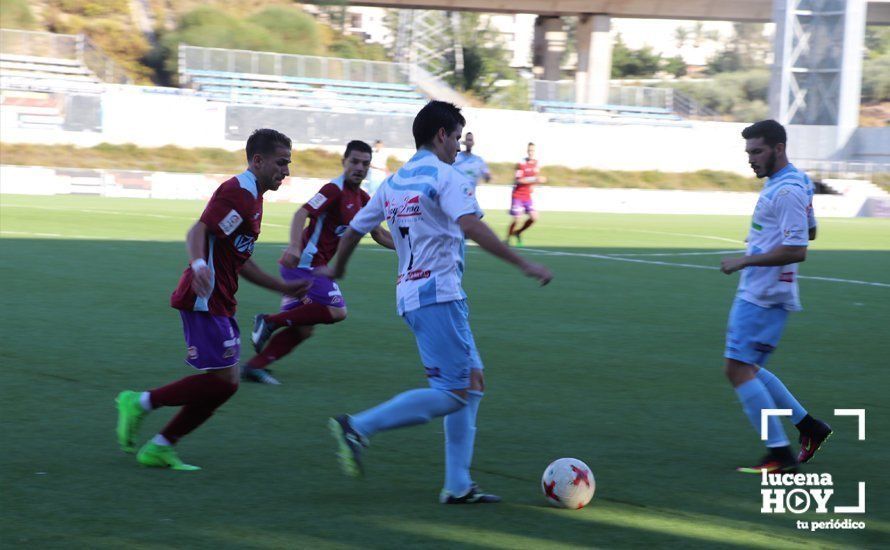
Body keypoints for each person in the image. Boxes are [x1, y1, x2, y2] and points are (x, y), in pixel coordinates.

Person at [320, 101, 553, 503]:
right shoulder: (447, 176)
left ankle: (458, 486)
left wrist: (338, 269)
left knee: (471, 383)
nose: (460, 149)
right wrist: (522, 262)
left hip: (414, 295)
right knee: (452, 392)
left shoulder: (393, 183)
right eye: (458, 139)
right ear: (441, 135)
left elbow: (357, 230)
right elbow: (471, 225)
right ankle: (358, 426)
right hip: (437, 295)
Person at [114, 129, 310, 470]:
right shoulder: (238, 192)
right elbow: (198, 230)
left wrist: (282, 287)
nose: (286, 171)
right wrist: (200, 264)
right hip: (204, 298)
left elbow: (240, 259)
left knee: (225, 385)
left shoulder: (255, 198)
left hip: (221, 299)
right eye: (281, 163)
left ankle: (160, 445)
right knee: (224, 381)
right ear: (258, 160)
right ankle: (140, 404)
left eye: (288, 164)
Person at [719, 119, 832, 474]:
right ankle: (810, 428)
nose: (751, 159)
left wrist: (745, 259)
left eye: (758, 151)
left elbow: (799, 249)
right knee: (748, 368)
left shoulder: (786, 190)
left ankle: (779, 454)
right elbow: (810, 230)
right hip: (765, 289)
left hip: (763, 293)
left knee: (737, 370)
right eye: (749, 153)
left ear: (778, 148)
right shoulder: (795, 180)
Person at [245, 140, 394, 385]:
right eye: (354, 161)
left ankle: (253, 367)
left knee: (304, 328)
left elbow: (378, 233)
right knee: (337, 311)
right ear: (344, 162)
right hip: (305, 263)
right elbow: (301, 213)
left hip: (312, 264)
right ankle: (269, 321)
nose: (359, 167)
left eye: (365, 163)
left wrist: (409, 248)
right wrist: (294, 246)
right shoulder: (333, 190)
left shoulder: (363, 198)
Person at [506, 142, 546, 246]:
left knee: (534, 217)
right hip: (517, 195)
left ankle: (518, 232)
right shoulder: (521, 164)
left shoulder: (536, 164)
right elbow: (518, 180)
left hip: (527, 196)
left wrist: (535, 184)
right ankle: (507, 239)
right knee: (517, 219)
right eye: (529, 150)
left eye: (532, 151)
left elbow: (534, 178)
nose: (531, 153)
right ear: (527, 151)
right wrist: (534, 179)